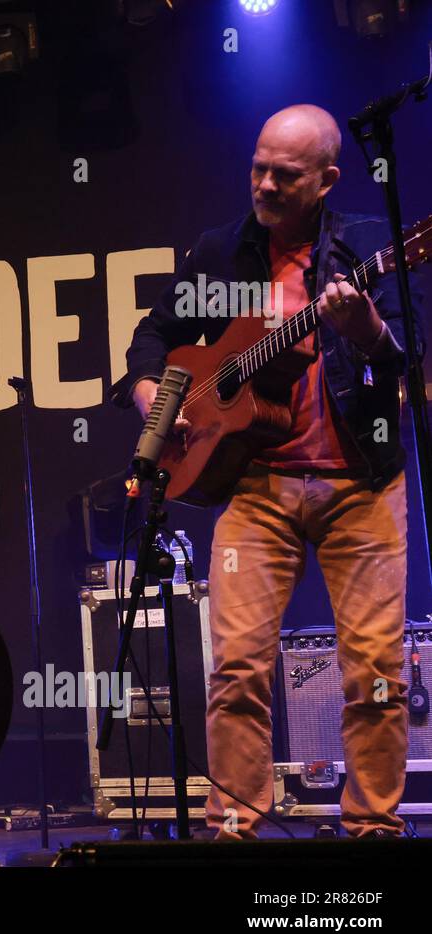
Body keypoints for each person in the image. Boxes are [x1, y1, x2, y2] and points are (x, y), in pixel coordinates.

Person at [111, 104, 421, 838]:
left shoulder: (374, 246)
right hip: (256, 484)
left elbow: (406, 355)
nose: (266, 184)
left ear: (326, 180)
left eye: (286, 174)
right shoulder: (223, 252)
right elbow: (154, 335)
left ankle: (373, 829)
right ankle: (234, 829)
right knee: (238, 668)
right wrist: (157, 396)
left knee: (376, 673)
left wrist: (366, 329)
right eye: (259, 166)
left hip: (363, 484)